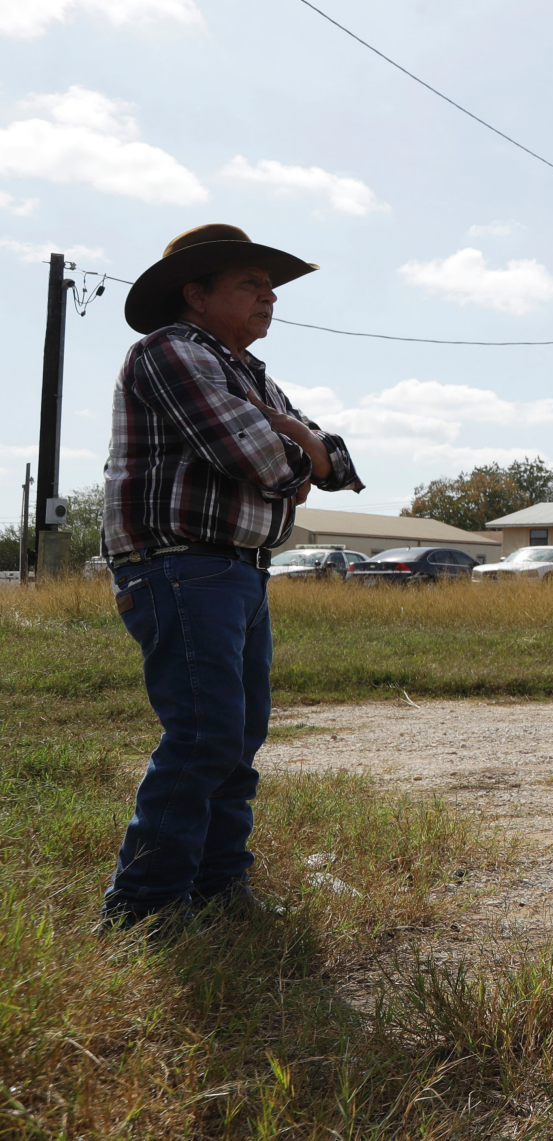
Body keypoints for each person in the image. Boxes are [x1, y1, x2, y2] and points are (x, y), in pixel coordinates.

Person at [99, 224, 362, 930]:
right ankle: (145, 907)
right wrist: (299, 449)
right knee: (205, 734)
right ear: (196, 293)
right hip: (182, 565)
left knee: (236, 739)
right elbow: (260, 460)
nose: (269, 298)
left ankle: (218, 889)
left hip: (236, 570)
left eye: (270, 288)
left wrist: (302, 448)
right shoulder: (171, 351)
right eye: (251, 284)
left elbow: (339, 465)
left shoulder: (250, 373)